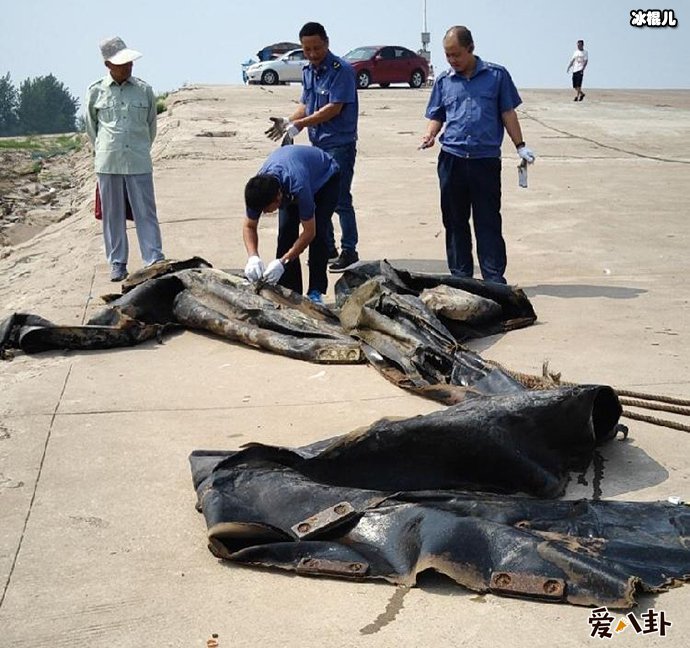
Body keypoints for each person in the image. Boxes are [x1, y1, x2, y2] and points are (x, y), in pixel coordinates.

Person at [420, 25, 535, 285]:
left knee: (488, 220)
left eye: (456, 54)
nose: (452, 60)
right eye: (447, 55)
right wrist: (430, 135)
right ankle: (461, 277)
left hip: (485, 161)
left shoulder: (497, 76)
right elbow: (437, 114)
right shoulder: (444, 80)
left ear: (471, 49)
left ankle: (494, 278)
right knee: (454, 220)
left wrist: (520, 145)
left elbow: (508, 113)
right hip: (452, 159)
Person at [265, 22, 359, 273]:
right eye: (307, 49)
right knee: (319, 198)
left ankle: (350, 249)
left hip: (339, 143)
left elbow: (333, 108)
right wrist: (289, 121)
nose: (313, 54)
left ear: (327, 43)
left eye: (317, 48)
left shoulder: (342, 71)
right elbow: (306, 104)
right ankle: (328, 247)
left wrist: (300, 124)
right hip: (317, 146)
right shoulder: (308, 71)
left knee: (340, 199)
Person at [85, 36, 164, 282]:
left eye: (130, 62)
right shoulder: (96, 91)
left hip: (138, 160)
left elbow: (151, 127)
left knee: (146, 212)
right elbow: (92, 129)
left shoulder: (144, 90)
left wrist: (139, 148)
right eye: (122, 63)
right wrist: (106, 149)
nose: (128, 66)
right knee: (112, 215)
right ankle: (117, 263)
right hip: (108, 162)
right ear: (108, 65)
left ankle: (154, 258)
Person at [243, 145, 340, 304]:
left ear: (278, 198)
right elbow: (249, 226)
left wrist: (284, 262)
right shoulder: (258, 190)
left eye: (268, 210)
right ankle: (289, 290)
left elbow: (309, 232)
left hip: (325, 179)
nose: (266, 213)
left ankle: (316, 291)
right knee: (286, 233)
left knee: (319, 234)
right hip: (295, 170)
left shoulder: (299, 187)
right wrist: (253, 256)